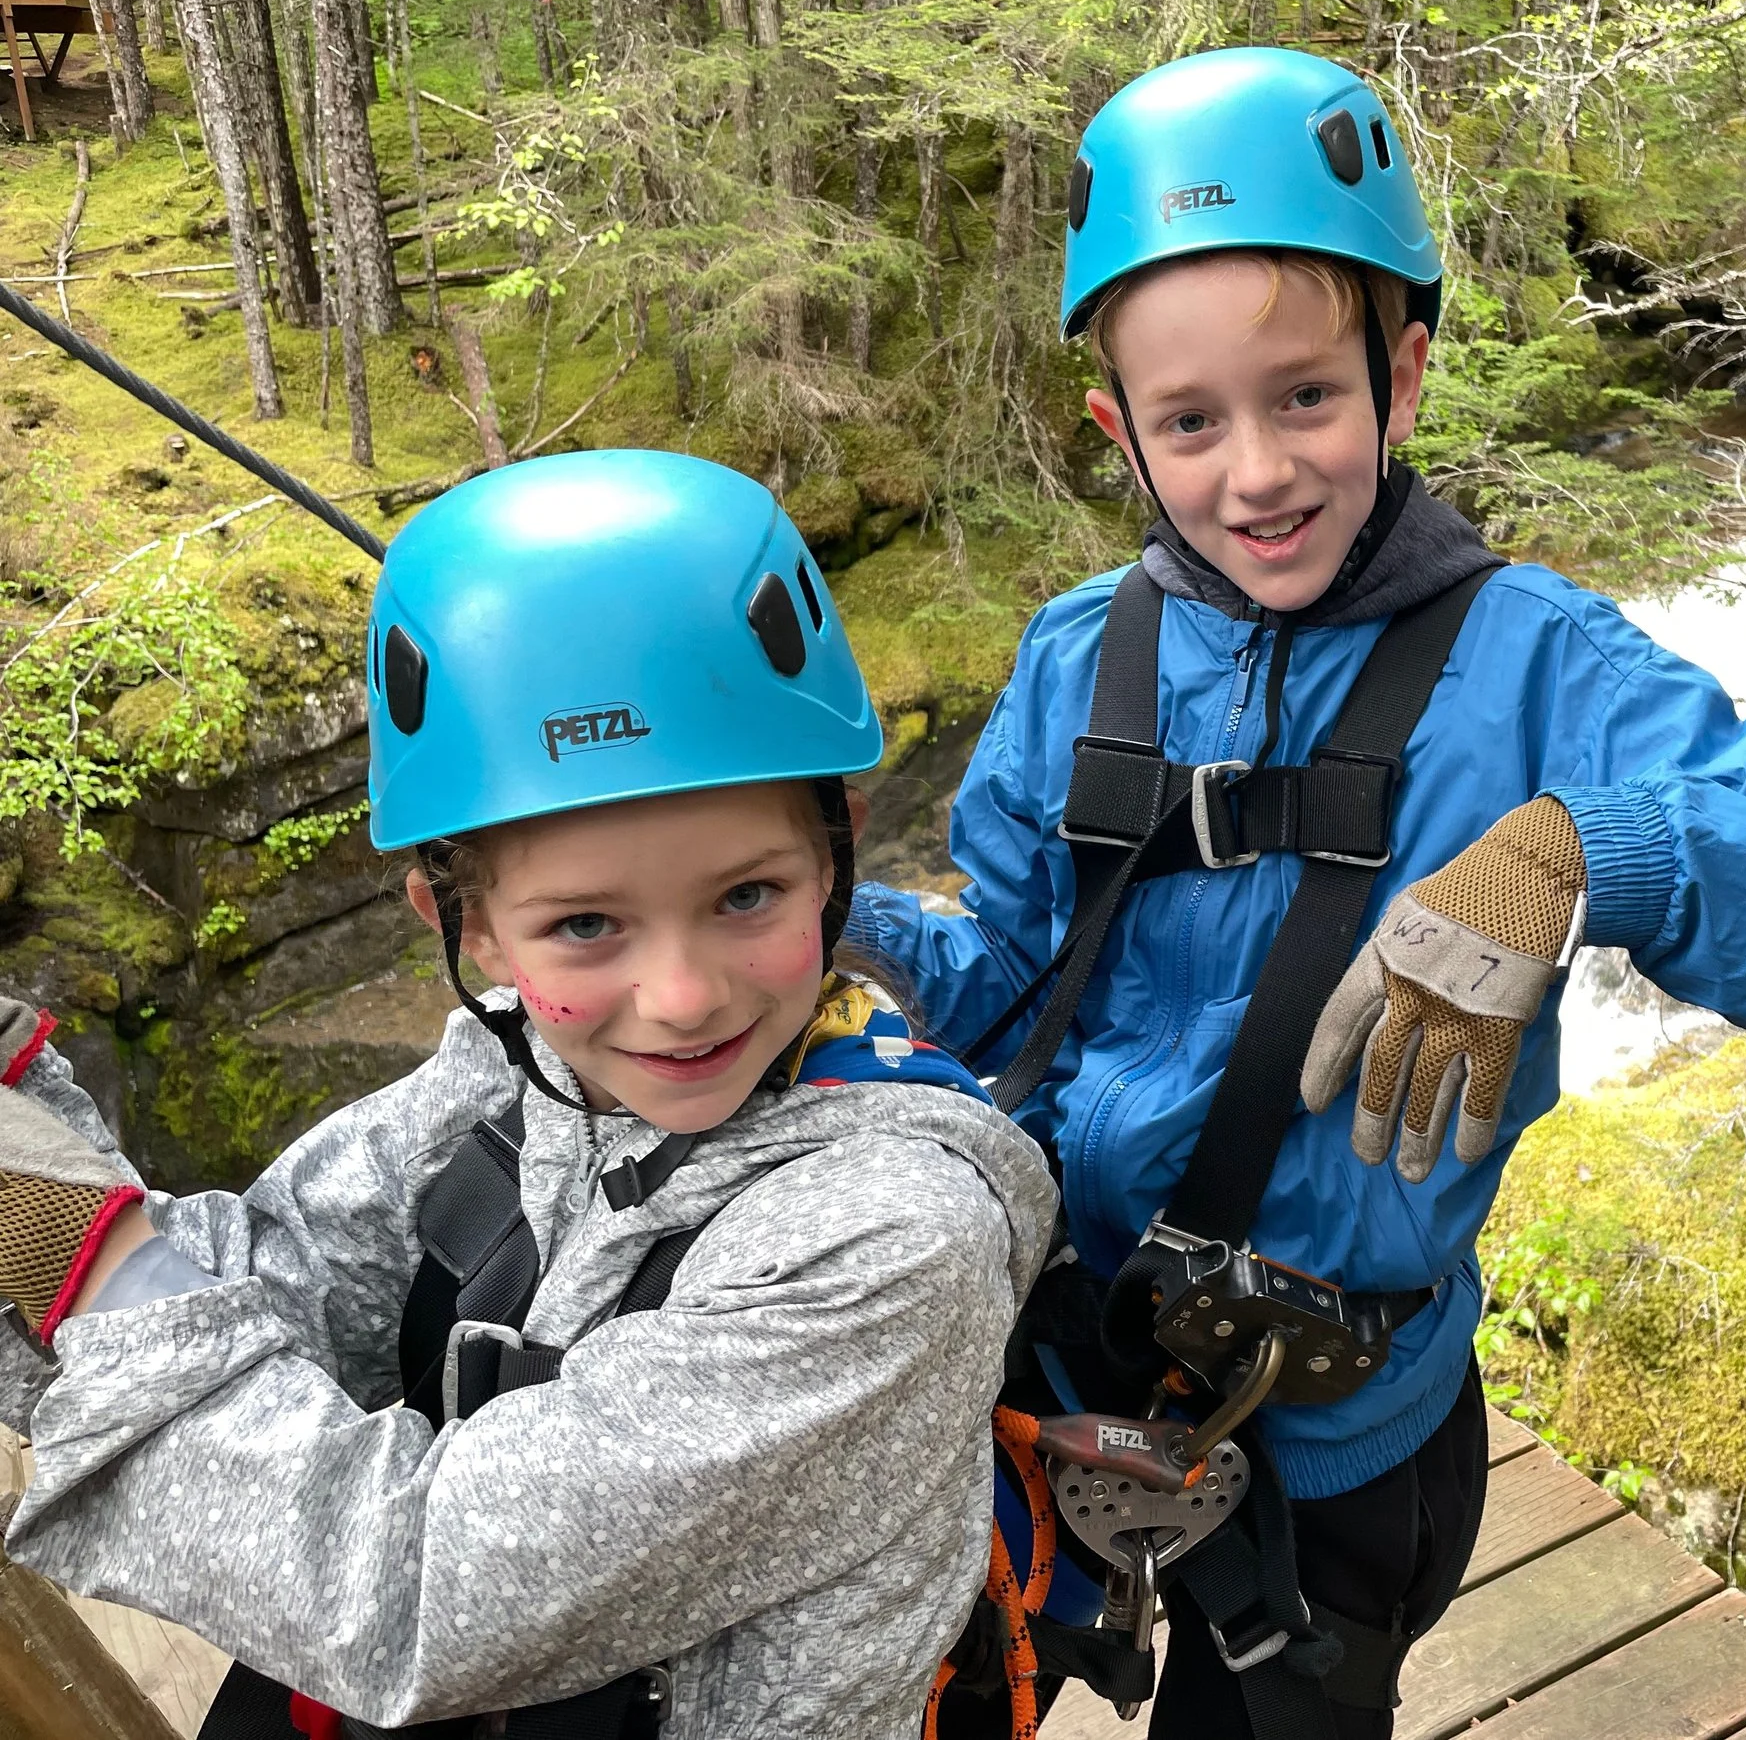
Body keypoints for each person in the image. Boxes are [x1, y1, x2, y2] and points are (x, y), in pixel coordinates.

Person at [852, 48, 1746, 1739]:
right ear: (1120, 432)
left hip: (1338, 1446)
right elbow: (1021, 986)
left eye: (1305, 395)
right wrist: (854, 942)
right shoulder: (1077, 659)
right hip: (1071, 1381)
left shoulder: (1538, 669)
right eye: (1192, 421)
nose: (1257, 472)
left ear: (1400, 377)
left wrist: (1600, 850)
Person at [0, 451, 1058, 1739]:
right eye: (586, 926)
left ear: (838, 861)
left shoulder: (892, 1241)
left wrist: (74, 1249)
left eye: (747, 897)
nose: (682, 996)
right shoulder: (500, 1084)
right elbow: (244, 1288)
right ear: (471, 932)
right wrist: (31, 1159)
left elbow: (410, 1593)